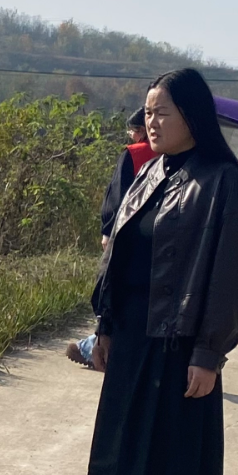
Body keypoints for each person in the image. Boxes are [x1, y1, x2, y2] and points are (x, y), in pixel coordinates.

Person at [85, 68, 238, 475]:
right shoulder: (151, 171)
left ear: (193, 115)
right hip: (134, 340)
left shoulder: (222, 182)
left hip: (178, 345)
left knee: (161, 474)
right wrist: (106, 326)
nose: (152, 122)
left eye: (163, 111)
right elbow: (119, 259)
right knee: (134, 467)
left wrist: (209, 352)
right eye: (148, 112)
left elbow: (232, 278)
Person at [68, 107, 149, 369]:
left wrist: (108, 231)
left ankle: (97, 348)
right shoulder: (179, 157)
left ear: (141, 131)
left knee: (115, 295)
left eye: (133, 131)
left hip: (128, 240)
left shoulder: (134, 154)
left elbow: (117, 199)